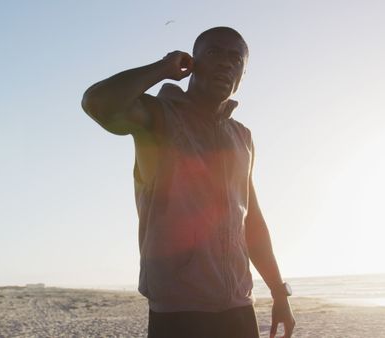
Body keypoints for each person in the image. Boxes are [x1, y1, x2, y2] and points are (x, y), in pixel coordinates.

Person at [81, 26, 295, 338]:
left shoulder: (242, 136)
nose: (225, 63)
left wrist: (278, 292)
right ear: (192, 62)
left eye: (235, 59)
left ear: (243, 74)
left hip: (238, 306)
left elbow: (252, 221)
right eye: (214, 53)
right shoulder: (158, 116)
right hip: (179, 309)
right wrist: (162, 68)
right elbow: (97, 103)